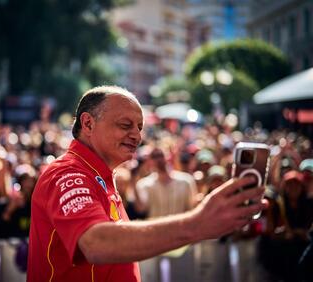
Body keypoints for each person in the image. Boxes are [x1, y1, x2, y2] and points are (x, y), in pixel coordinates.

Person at [27, 86, 266, 282]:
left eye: (139, 127)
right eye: (125, 125)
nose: (137, 136)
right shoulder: (67, 173)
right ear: (88, 124)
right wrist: (197, 224)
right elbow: (96, 243)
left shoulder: (99, 175)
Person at [135, 147, 197, 218]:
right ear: (149, 161)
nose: (158, 159)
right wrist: (133, 178)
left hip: (179, 227)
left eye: (160, 155)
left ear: (168, 156)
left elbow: (191, 209)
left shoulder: (186, 181)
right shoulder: (144, 184)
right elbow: (141, 209)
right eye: (154, 156)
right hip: (156, 228)